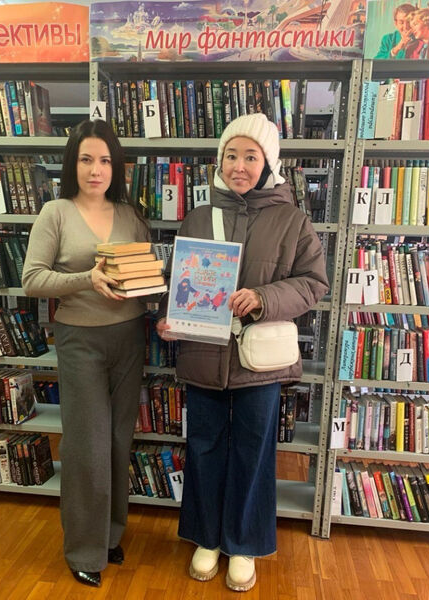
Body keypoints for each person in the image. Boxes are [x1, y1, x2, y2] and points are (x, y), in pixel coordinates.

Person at [156, 113, 328, 592]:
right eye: (231, 155)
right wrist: (170, 320)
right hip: (202, 355)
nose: (239, 165)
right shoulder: (198, 216)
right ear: (220, 160)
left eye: (251, 157)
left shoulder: (292, 220)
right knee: (203, 447)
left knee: (253, 451)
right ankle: (206, 537)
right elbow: (180, 282)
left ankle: (244, 543)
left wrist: (264, 297)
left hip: (260, 361)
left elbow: (314, 283)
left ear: (268, 163)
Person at [22, 119, 150, 588]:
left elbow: (143, 274)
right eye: (86, 159)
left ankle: (109, 535)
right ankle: (83, 548)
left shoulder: (130, 215)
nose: (96, 170)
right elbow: (32, 279)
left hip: (130, 336)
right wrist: (86, 279)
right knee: (87, 447)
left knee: (117, 441)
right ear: (71, 164)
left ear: (116, 167)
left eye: (104, 160)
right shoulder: (55, 212)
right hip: (80, 341)